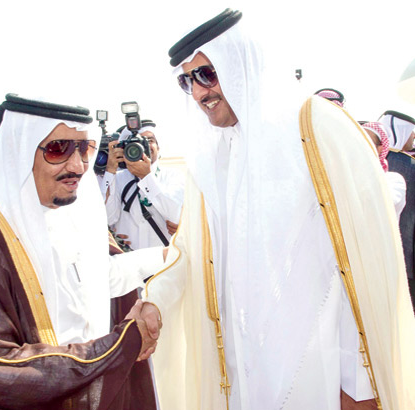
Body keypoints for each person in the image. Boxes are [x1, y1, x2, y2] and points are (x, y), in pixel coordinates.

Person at [139, 8, 415, 410]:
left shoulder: (318, 129)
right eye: (187, 81)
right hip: (239, 371)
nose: (199, 92)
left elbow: (365, 258)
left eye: (207, 74)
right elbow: (190, 252)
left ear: (242, 64)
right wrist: (154, 299)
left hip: (317, 371)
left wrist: (362, 383)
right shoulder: (212, 157)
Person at [0, 94, 163, 410]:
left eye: (85, 148)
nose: (77, 165)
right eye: (57, 148)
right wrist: (121, 345)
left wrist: (169, 258)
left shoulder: (73, 208)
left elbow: (96, 281)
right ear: (18, 150)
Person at [101, 120, 184, 249]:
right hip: (128, 257)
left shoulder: (173, 176)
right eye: (136, 142)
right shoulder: (117, 178)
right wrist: (110, 171)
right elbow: (109, 218)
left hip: (163, 257)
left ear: (158, 147)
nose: (144, 146)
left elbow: (175, 217)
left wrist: (146, 177)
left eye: (149, 140)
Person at [379, 110, 415, 308]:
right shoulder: (409, 164)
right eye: (411, 133)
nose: (413, 138)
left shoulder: (375, 160)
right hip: (406, 250)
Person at [361, 121, 406, 220]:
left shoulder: (394, 180)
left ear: (379, 149)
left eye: (367, 141)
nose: (360, 146)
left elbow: (380, 202)